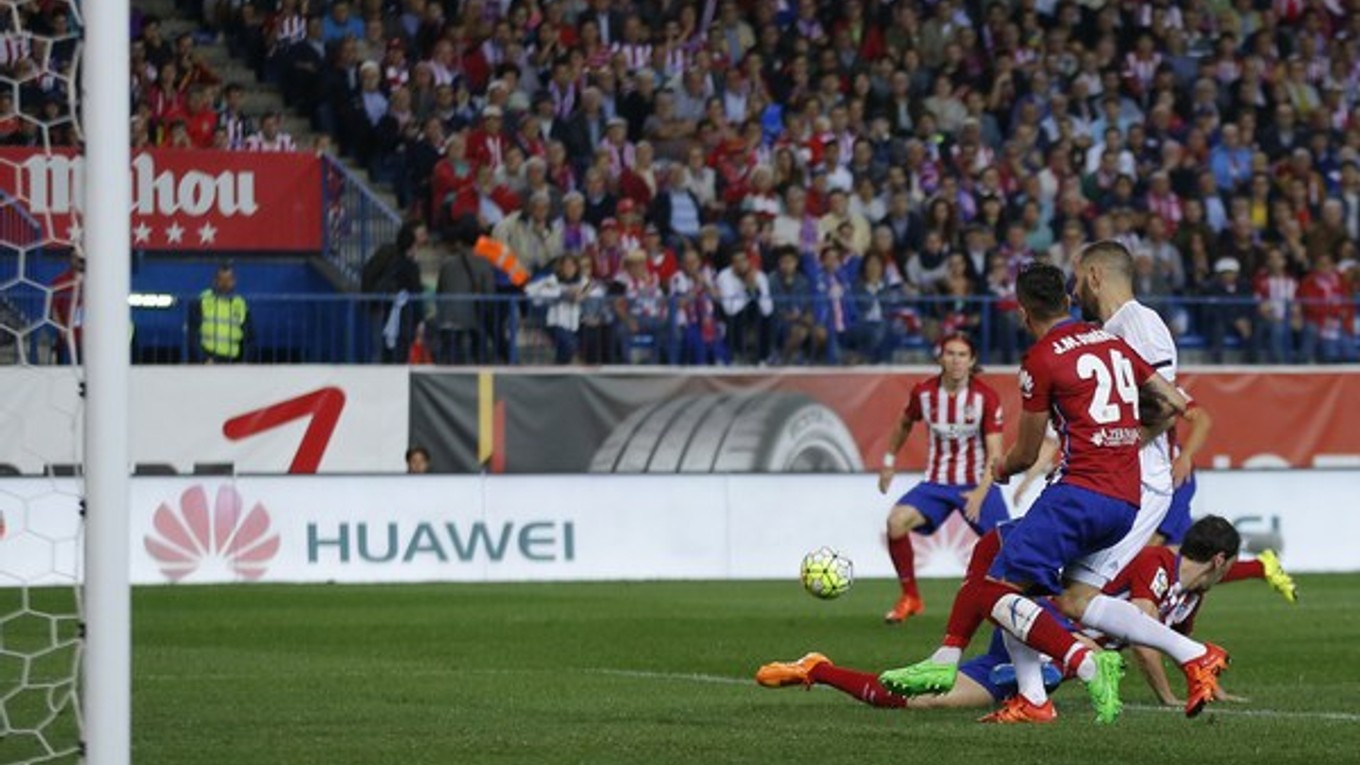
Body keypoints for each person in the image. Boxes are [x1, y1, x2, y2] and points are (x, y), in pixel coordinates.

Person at [878, 263, 1217, 724]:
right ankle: (1186, 655)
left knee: (993, 589)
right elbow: (1177, 403)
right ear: (1068, 301)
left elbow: (1026, 452)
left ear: (1022, 312)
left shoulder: (1041, 359)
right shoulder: (1113, 343)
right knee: (1053, 588)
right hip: (1126, 499)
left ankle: (1084, 663)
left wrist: (1001, 468)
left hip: (1078, 495)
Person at [757, 516, 1263, 717]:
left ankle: (816, 668)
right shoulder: (1153, 562)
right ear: (1219, 562)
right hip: (1039, 626)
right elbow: (1144, 634)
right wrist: (1170, 698)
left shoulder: (1186, 593)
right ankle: (1043, 686)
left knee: (914, 703)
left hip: (1033, 645)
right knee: (1080, 651)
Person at [876, 333, 1008, 624]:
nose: (956, 360)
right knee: (895, 522)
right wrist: (888, 462)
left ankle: (1021, 609)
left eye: (962, 355)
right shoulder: (924, 394)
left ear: (972, 361)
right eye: (950, 353)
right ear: (940, 358)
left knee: (1007, 550)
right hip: (936, 484)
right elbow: (903, 423)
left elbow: (996, 454)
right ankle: (910, 597)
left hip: (977, 483)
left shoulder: (985, 397)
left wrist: (979, 493)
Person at [362, 220, 429, 364]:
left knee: (384, 351)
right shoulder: (407, 264)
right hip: (399, 317)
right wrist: (420, 319)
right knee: (396, 353)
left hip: (389, 314)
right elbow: (416, 293)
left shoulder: (396, 261)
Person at [434, 218, 496, 364]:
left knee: (451, 359)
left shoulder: (447, 263)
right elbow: (490, 292)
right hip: (473, 319)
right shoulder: (483, 263)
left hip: (448, 318)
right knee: (477, 358)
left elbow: (440, 292)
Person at [187, 263, 254, 363]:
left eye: (228, 280)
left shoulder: (240, 304)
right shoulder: (202, 301)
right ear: (215, 281)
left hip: (232, 362)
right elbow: (193, 335)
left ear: (234, 282)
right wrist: (203, 359)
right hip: (209, 360)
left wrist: (243, 362)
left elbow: (250, 338)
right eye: (221, 280)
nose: (225, 284)